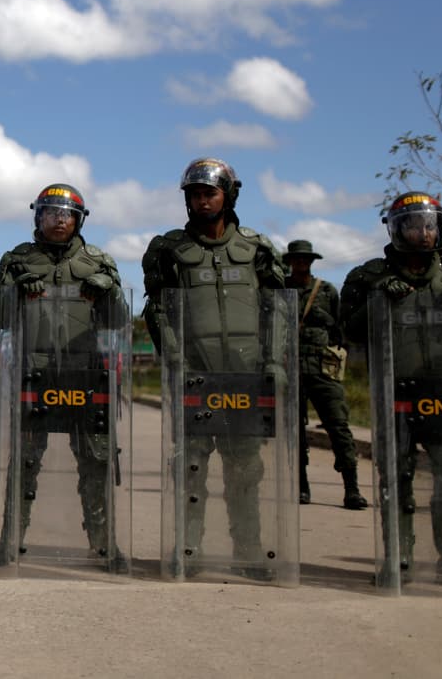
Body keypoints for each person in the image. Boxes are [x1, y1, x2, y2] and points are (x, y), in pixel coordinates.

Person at [141, 158, 285, 579]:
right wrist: (175, 361)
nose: (202, 201)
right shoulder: (168, 250)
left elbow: (277, 310)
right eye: (194, 194)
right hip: (195, 375)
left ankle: (249, 552)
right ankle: (188, 548)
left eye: (210, 193)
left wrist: (275, 362)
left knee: (245, 470)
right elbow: (158, 310)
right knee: (190, 467)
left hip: (246, 375)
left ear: (229, 195)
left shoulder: (257, 248)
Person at [0, 183, 127, 566]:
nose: (59, 220)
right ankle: (10, 541)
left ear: (79, 220)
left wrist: (109, 290)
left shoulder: (99, 261)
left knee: (95, 461)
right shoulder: (17, 259)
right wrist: (14, 289)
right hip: (34, 374)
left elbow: (120, 320)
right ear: (37, 217)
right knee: (24, 461)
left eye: (66, 214)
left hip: (85, 374)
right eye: (50, 213)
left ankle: (104, 545)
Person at [340, 191, 442, 584]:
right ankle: (398, 560)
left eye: (428, 224)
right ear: (395, 230)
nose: (421, 232)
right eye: (411, 225)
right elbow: (347, 330)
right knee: (395, 479)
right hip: (394, 393)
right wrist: (378, 299)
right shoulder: (367, 277)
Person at [283, 239, 367, 509]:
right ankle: (302, 487)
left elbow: (340, 328)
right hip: (290, 369)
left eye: (305, 259)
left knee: (339, 426)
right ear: (290, 262)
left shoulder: (327, 291)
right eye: (296, 259)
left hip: (322, 369)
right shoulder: (280, 290)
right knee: (294, 432)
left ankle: (352, 489)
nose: (301, 263)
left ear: (311, 261)